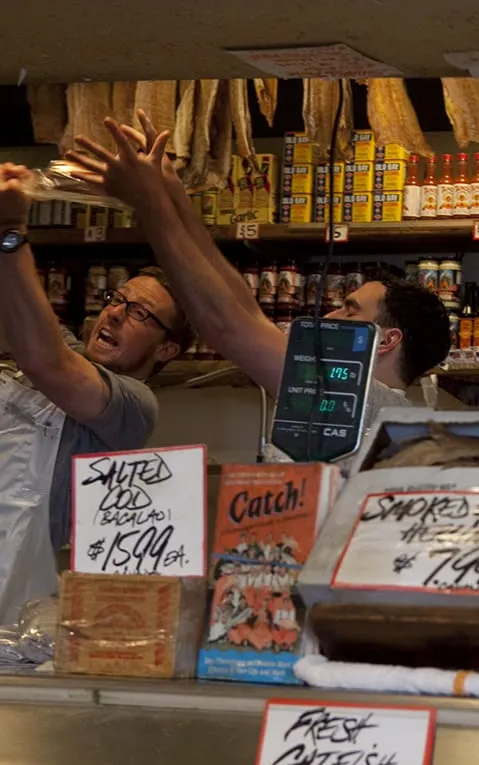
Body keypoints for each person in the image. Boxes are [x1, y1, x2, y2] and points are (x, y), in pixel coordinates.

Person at [69, 113, 450, 457]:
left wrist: (148, 203)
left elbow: (227, 324)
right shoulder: (360, 398)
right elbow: (244, 307)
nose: (329, 315)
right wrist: (172, 192)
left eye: (350, 310)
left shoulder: (362, 401)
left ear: (386, 340)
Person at [0, 164, 191, 620]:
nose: (117, 314)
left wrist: (11, 231)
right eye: (116, 300)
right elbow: (29, 331)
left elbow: (50, 366)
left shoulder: (134, 404)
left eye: (140, 312)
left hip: (24, 609)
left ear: (166, 348)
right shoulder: (55, 344)